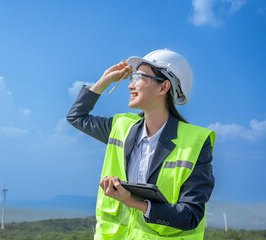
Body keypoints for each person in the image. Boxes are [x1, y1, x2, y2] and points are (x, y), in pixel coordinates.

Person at [66, 49, 215, 240]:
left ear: (164, 88)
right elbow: (76, 117)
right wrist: (105, 79)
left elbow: (190, 216)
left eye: (140, 77)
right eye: (132, 78)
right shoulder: (121, 127)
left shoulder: (196, 143)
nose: (131, 85)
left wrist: (131, 201)